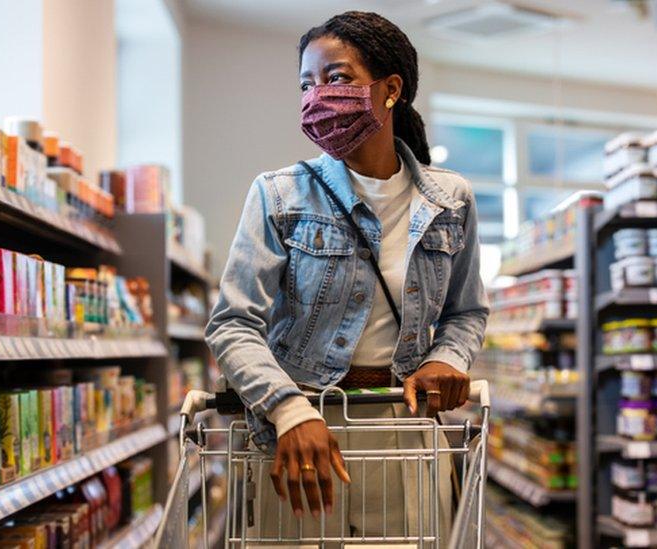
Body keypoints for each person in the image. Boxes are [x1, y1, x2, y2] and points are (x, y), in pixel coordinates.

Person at [205, 10, 488, 543]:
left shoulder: (451, 199)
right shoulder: (279, 194)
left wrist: (447, 358)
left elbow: (467, 310)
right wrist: (288, 410)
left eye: (336, 78)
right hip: (298, 433)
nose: (317, 97)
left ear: (391, 90)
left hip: (405, 435)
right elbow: (232, 323)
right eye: (306, 84)